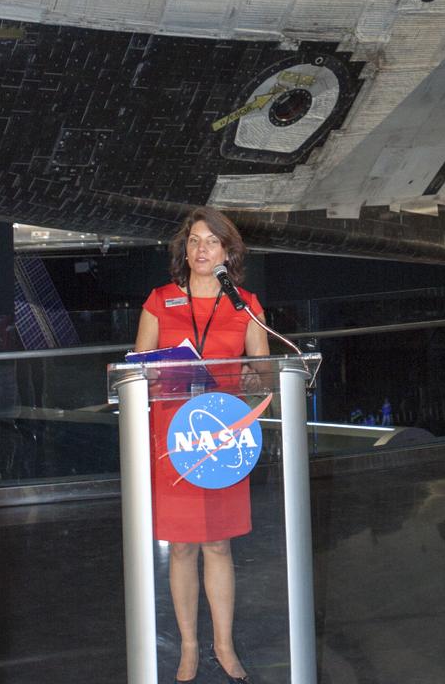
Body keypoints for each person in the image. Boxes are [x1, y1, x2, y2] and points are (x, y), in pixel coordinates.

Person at [134, 206, 269, 684]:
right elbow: (138, 371)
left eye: (210, 241)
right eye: (193, 241)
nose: (200, 249)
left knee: (217, 543)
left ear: (228, 252)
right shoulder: (160, 300)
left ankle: (224, 646)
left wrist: (259, 374)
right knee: (183, 547)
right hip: (173, 438)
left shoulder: (245, 304)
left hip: (223, 436)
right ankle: (189, 648)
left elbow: (263, 374)